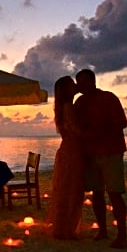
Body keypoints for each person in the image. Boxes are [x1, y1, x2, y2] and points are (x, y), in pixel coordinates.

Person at [74, 68, 127, 248]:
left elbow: (122, 122)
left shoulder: (108, 98)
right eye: (78, 83)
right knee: (96, 193)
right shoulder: (80, 102)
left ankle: (122, 235)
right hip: (90, 154)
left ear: (92, 81)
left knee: (114, 193)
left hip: (111, 151)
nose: (80, 86)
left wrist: (100, 130)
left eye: (83, 82)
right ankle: (103, 230)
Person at [45, 76, 85, 239]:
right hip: (73, 152)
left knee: (66, 190)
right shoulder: (68, 107)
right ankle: (67, 229)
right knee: (72, 192)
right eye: (72, 84)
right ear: (66, 90)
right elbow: (78, 131)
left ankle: (64, 228)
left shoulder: (63, 107)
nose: (75, 85)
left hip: (68, 150)